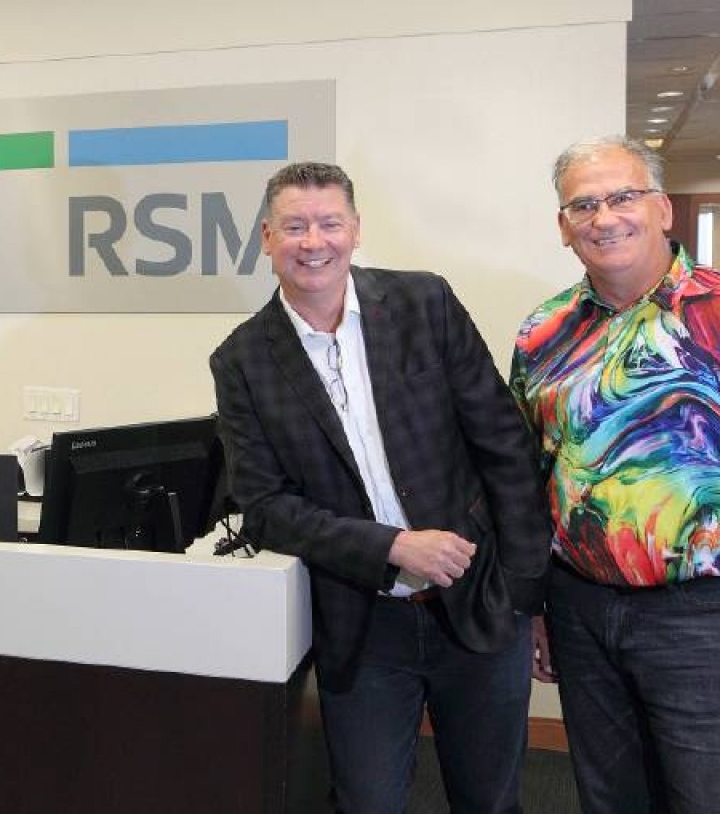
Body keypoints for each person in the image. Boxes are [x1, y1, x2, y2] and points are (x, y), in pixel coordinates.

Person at [210, 162, 551, 813]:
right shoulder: (241, 360)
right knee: (366, 802)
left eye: (330, 223)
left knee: (490, 801)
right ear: (267, 238)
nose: (315, 242)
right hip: (363, 628)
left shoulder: (425, 303)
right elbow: (265, 508)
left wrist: (522, 591)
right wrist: (391, 546)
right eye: (295, 226)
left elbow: (505, 443)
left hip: (478, 601)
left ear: (356, 230)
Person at [511, 135, 720, 814]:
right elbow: (529, 477)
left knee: (717, 799)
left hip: (707, 615)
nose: (604, 218)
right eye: (583, 205)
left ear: (663, 209)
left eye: (623, 197)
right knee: (609, 797)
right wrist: (535, 605)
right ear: (564, 227)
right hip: (580, 609)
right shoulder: (542, 333)